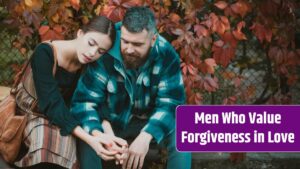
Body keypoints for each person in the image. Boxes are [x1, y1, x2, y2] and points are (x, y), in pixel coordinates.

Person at [71, 6, 191, 169]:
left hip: (148, 122)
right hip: (112, 122)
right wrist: (101, 134)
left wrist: (146, 136)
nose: (128, 49)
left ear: (153, 39)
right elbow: (84, 103)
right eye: (125, 41)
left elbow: (171, 104)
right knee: (88, 134)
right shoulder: (104, 50)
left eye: (137, 44)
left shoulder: (166, 55)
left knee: (183, 128)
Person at [14, 16, 127, 169]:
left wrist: (109, 135)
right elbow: (51, 104)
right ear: (80, 33)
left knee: (73, 146)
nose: (92, 53)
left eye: (101, 51)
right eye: (91, 43)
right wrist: (90, 138)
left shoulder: (90, 64)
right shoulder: (45, 53)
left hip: (64, 116)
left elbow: (95, 101)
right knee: (47, 148)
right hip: (31, 112)